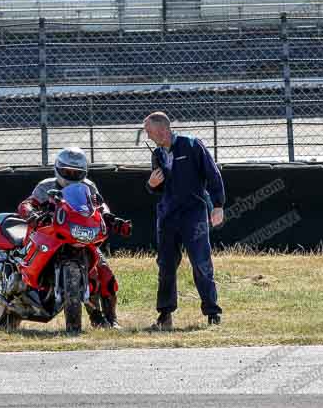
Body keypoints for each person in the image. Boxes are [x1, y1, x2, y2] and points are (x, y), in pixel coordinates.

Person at [17, 147, 131, 329]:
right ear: (58, 169)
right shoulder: (45, 186)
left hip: (80, 236)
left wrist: (113, 220)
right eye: (67, 171)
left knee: (104, 272)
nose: (71, 175)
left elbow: (101, 207)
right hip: (51, 237)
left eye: (76, 172)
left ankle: (110, 319)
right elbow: (27, 204)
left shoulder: (89, 187)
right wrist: (31, 213)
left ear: (84, 173)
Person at [143, 112, 225, 330]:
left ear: (162, 130)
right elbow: (157, 188)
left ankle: (212, 312)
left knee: (201, 262)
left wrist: (218, 205)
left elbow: (213, 174)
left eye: (149, 131)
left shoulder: (192, 145)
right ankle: (165, 315)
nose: (148, 136)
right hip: (168, 216)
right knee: (166, 266)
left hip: (194, 214)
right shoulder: (157, 154)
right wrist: (151, 185)